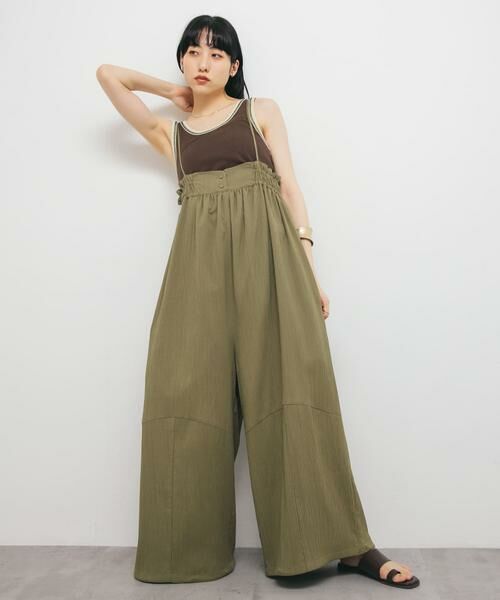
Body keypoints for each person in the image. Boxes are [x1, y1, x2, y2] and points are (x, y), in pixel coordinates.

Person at [96, 14, 419, 590]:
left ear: (235, 65)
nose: (203, 62)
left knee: (294, 392)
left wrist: (309, 270)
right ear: (181, 61)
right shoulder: (172, 135)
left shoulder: (259, 112)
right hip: (196, 272)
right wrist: (171, 92)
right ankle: (186, 553)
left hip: (272, 262)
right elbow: (108, 75)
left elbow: (290, 187)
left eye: (217, 54)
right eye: (193, 52)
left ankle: (345, 546)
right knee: (184, 396)